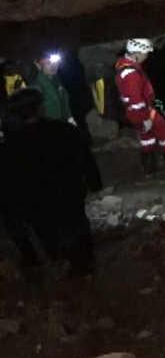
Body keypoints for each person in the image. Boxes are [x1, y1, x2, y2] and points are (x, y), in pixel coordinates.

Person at [1, 89, 100, 276]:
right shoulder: (63, 130)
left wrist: (12, 211)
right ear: (40, 107)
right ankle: (85, 259)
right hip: (69, 191)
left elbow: (7, 181)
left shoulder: (11, 145)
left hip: (36, 201)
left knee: (49, 229)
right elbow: (85, 158)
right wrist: (94, 182)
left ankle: (61, 258)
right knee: (77, 223)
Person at [115, 38, 165, 174]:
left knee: (147, 137)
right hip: (140, 111)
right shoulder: (131, 73)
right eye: (145, 53)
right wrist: (144, 118)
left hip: (134, 111)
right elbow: (136, 100)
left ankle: (149, 168)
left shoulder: (126, 65)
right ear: (136, 53)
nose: (146, 57)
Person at [28, 51, 75, 124]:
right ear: (39, 66)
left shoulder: (58, 82)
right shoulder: (37, 87)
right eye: (48, 63)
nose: (53, 66)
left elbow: (64, 102)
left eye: (56, 63)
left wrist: (70, 117)